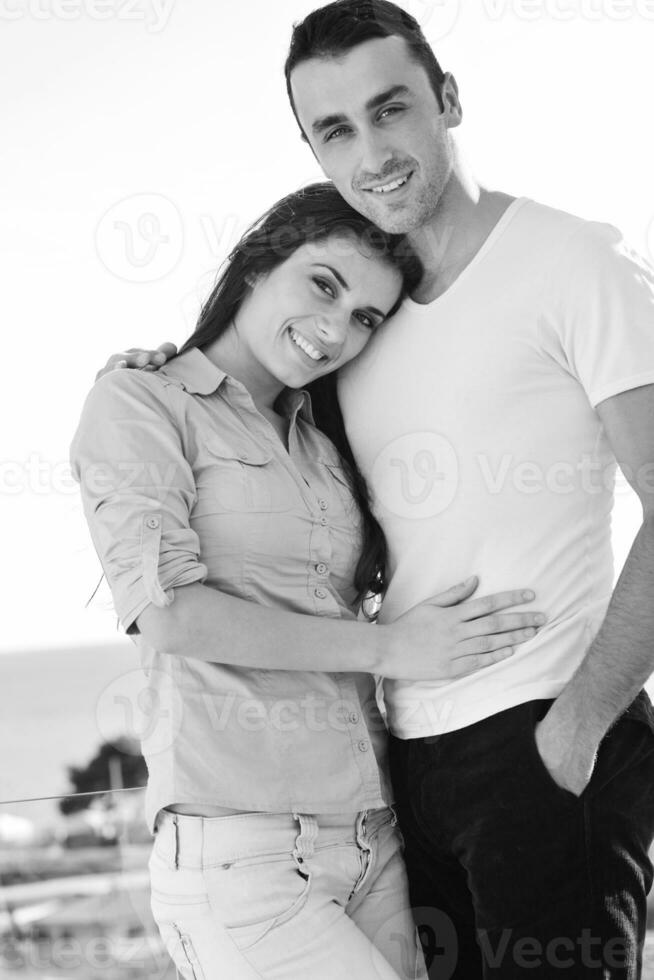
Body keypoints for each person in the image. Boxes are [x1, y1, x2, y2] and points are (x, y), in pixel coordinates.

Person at [104, 2, 654, 976]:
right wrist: (164, 368)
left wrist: (579, 725)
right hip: (402, 770)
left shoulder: (576, 264)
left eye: (391, 108)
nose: (373, 151)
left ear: (447, 99)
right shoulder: (363, 321)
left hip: (544, 736)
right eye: (335, 129)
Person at [73, 182, 544, 980]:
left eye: (366, 317)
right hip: (242, 856)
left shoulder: (325, 442)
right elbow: (172, 616)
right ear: (259, 263)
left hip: (373, 837)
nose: (335, 330)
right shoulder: (142, 401)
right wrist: (392, 648)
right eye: (323, 283)